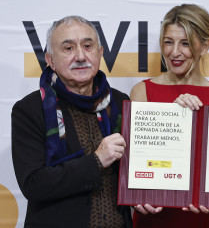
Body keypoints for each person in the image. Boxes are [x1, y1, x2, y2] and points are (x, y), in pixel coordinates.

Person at [11, 16, 132, 227]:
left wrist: (148, 197)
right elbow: (33, 184)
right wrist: (96, 161)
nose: (81, 56)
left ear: (100, 52)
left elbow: (136, 169)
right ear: (50, 60)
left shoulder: (121, 102)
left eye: (88, 46)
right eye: (68, 48)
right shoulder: (30, 110)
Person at [130, 4, 209, 228]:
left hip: (208, 218)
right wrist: (172, 114)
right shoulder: (142, 92)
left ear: (205, 46)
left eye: (185, 43)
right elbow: (135, 164)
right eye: (168, 42)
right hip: (156, 218)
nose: (174, 52)